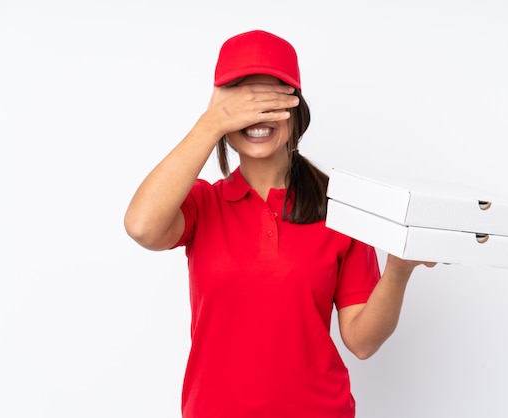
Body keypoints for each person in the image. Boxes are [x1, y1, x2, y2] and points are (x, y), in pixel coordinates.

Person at [124, 29, 435, 418]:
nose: (259, 115)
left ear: (296, 109)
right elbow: (141, 226)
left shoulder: (340, 209)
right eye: (243, 101)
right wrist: (209, 124)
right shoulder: (202, 204)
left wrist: (399, 270)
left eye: (272, 99)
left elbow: (361, 341)